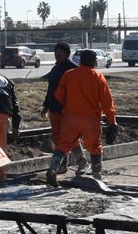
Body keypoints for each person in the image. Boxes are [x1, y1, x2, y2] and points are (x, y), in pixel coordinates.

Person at [46, 49, 119, 186]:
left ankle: (53, 170)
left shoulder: (69, 75)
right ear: (93, 61)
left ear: (81, 60)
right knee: (95, 147)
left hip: (70, 118)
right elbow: (107, 103)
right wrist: (112, 121)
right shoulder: (98, 77)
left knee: (63, 145)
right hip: (91, 120)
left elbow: (58, 96)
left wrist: (70, 106)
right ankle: (97, 176)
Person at [41, 42, 87, 174]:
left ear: (67, 54)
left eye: (60, 53)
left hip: (68, 111)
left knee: (70, 138)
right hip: (54, 109)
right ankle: (62, 165)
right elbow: (51, 90)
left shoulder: (74, 70)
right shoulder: (55, 70)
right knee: (57, 138)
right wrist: (46, 106)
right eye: (56, 53)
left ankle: (81, 161)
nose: (57, 55)